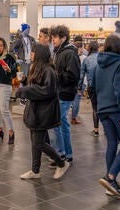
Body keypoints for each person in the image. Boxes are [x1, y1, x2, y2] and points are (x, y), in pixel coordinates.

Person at [17, 44, 71, 180]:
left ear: (39, 54)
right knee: (35, 142)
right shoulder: (36, 68)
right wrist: (24, 82)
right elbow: (36, 86)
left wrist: (26, 90)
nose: (31, 54)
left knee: (39, 143)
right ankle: (35, 171)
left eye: (33, 52)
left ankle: (61, 163)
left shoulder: (49, 70)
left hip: (43, 112)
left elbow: (47, 90)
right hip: (35, 112)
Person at [91, 35, 120, 196]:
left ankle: (112, 183)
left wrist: (97, 109)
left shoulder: (97, 65)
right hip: (117, 110)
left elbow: (92, 89)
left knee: (111, 143)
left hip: (103, 111)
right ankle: (111, 176)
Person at [49, 25, 80, 163]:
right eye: (52, 37)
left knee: (56, 122)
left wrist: (57, 76)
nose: (53, 39)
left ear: (63, 38)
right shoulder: (59, 52)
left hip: (65, 92)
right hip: (60, 91)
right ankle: (68, 154)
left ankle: (60, 153)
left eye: (55, 37)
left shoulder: (70, 53)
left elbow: (73, 75)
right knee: (63, 123)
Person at [81, 42, 101, 136]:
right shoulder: (102, 57)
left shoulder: (86, 59)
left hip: (92, 86)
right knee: (105, 107)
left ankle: (96, 129)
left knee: (95, 108)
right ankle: (107, 129)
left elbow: (81, 75)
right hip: (104, 86)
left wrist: (79, 87)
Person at [71, 39, 86, 125]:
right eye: (82, 47)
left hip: (73, 81)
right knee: (77, 100)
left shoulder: (72, 56)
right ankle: (74, 118)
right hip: (81, 81)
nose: (83, 49)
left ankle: (73, 116)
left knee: (73, 100)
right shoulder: (83, 58)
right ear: (79, 48)